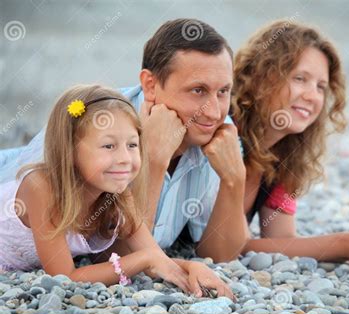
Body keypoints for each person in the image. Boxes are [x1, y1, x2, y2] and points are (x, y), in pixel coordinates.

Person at [0, 19, 249, 263]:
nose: (214, 112)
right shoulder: (94, 121)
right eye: (198, 91)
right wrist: (153, 160)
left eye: (223, 92)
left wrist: (234, 180)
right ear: (150, 85)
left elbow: (219, 256)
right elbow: (113, 257)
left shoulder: (217, 133)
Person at [0, 84, 233, 299]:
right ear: (70, 151)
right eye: (109, 146)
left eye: (132, 145)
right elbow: (65, 277)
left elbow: (155, 258)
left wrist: (193, 267)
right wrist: (144, 259)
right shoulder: (42, 186)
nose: (124, 159)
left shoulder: (117, 194)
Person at [229, 21, 349, 285]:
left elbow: (280, 240)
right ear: (260, 77)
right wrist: (341, 244)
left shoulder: (284, 156)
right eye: (300, 79)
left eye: (321, 87)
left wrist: (348, 249)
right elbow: (232, 246)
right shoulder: (222, 132)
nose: (312, 96)